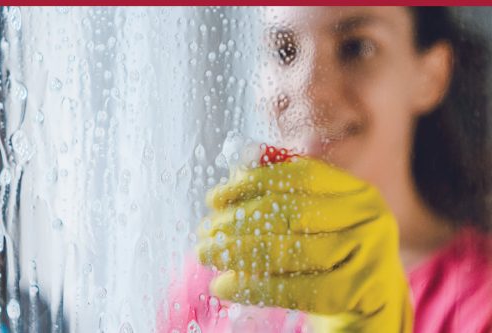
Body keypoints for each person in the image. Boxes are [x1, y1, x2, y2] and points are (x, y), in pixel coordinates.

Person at [174, 7, 492, 333]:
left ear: (431, 76)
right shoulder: (215, 278)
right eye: (284, 52)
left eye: (357, 47)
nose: (310, 90)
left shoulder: (481, 301)